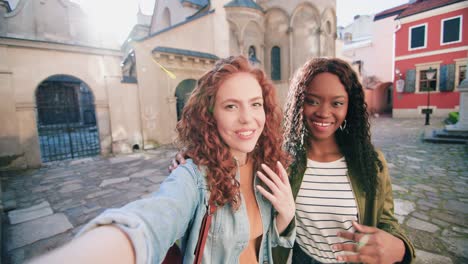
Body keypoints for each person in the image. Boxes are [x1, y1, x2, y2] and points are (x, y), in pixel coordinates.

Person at [29, 55, 296, 264]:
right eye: (231, 106)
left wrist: (286, 213)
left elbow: (268, 242)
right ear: (209, 115)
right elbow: (154, 220)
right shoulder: (193, 176)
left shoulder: (266, 167)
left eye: (255, 104)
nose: (247, 118)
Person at [171, 57, 416, 264]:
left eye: (337, 103)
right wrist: (195, 157)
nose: (323, 112)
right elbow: (235, 154)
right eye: (312, 100)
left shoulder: (370, 162)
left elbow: (386, 221)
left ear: (349, 107)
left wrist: (401, 248)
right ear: (299, 102)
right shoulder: (278, 158)